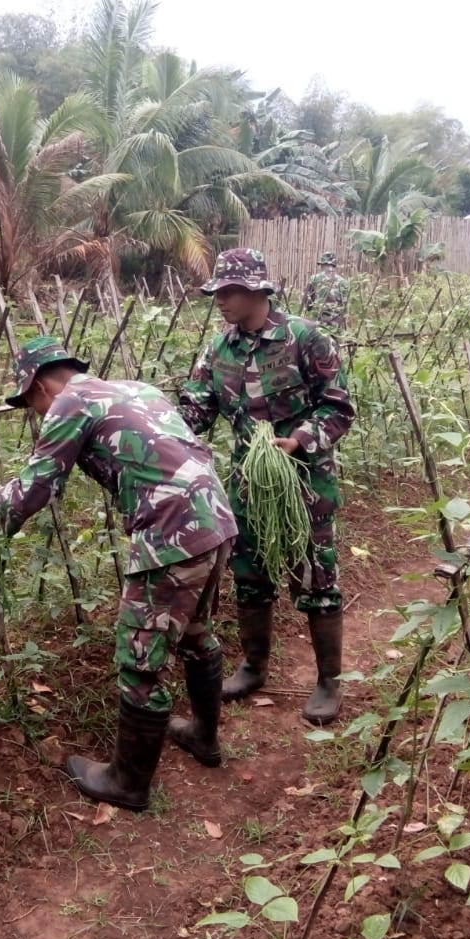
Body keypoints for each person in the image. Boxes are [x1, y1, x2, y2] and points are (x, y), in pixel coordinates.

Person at [0, 336, 238, 811]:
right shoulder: (135, 388)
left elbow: (37, 486)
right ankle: (203, 736)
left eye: (30, 403)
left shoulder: (69, 402)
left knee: (141, 658)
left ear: (37, 384)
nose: (34, 413)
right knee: (196, 632)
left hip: (172, 534)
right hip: (214, 519)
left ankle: (128, 783)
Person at [179, 248, 356, 724]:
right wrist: (159, 427)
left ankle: (328, 682)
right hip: (248, 483)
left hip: (303, 481)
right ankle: (254, 665)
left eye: (228, 292)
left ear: (257, 291)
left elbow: (338, 407)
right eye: (216, 293)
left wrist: (299, 441)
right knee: (250, 572)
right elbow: (196, 409)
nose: (220, 302)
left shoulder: (305, 339)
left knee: (315, 574)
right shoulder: (218, 349)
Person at [304, 250, 349, 324]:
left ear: (322, 264)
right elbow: (345, 304)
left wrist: (308, 310)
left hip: (317, 318)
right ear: (334, 265)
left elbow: (308, 300)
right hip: (335, 320)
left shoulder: (314, 279)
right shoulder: (343, 282)